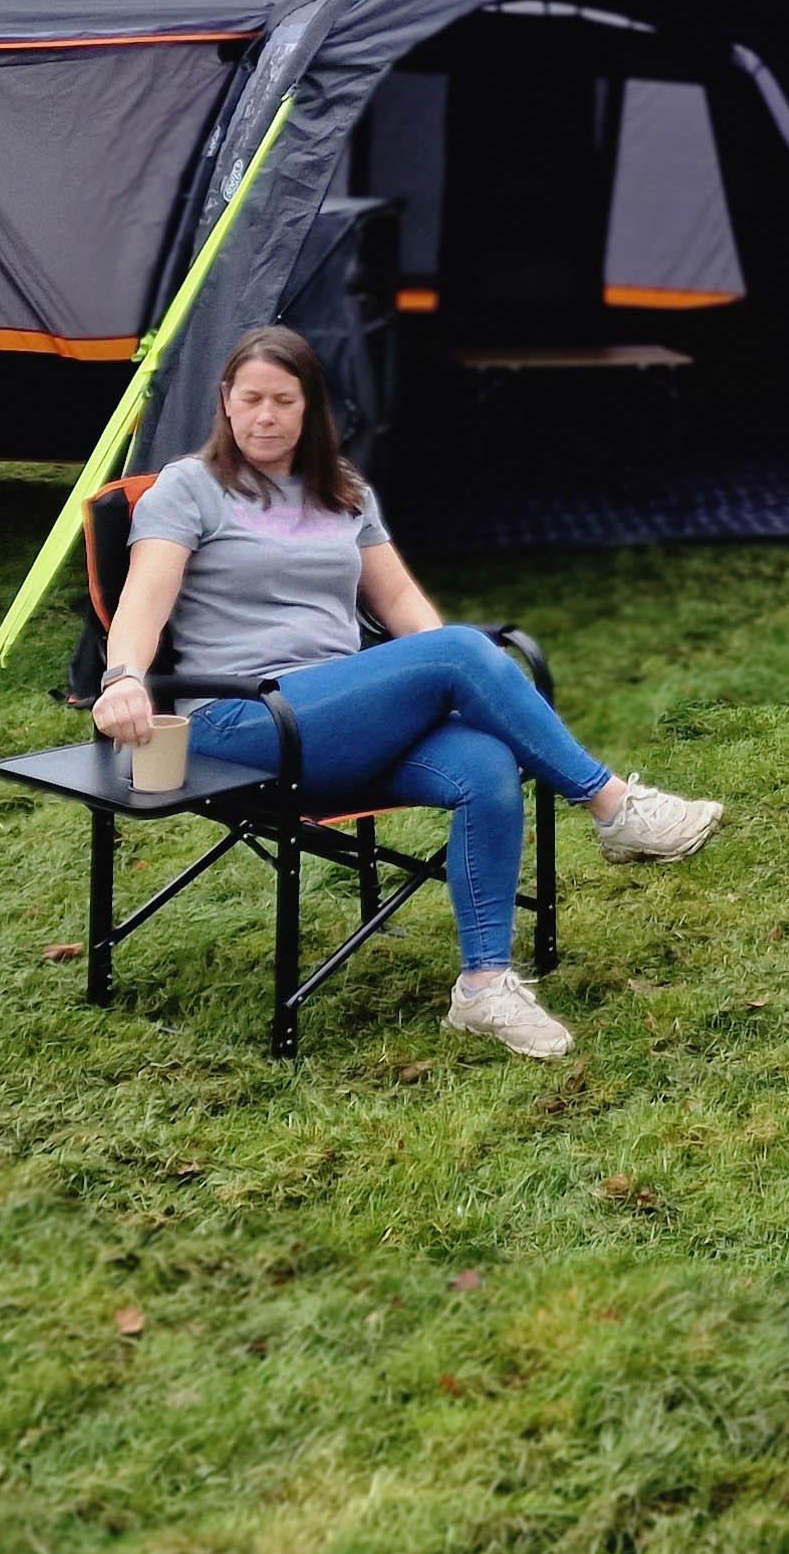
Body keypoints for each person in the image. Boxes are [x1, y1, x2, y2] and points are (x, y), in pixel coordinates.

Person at [89, 324, 723, 1058]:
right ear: (226, 404)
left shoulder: (344, 492)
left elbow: (404, 610)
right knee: (459, 649)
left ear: (310, 407)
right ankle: (611, 806)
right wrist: (124, 678)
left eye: (283, 400)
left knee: (485, 760)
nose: (265, 416)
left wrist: (459, 687)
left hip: (342, 720)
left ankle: (485, 987)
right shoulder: (188, 487)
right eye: (250, 399)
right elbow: (141, 604)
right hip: (247, 723)